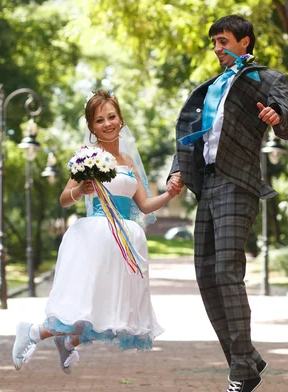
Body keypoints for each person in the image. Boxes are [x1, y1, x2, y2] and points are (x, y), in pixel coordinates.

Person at [167, 15, 288, 392]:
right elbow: (193, 134)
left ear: (244, 41)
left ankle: (242, 370)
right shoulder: (208, 89)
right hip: (206, 185)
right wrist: (177, 168)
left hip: (237, 183)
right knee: (206, 276)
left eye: (223, 41)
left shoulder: (267, 78)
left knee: (226, 269)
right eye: (213, 43)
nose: (218, 48)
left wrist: (277, 118)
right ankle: (246, 361)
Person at [12, 90, 180, 373]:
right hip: (97, 238)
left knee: (106, 306)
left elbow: (145, 205)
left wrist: (169, 194)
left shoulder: (128, 163)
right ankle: (33, 331)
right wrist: (80, 189)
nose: (107, 123)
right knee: (87, 300)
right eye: (99, 120)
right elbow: (65, 198)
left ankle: (69, 341)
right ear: (92, 127)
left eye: (111, 117)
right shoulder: (88, 158)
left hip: (126, 239)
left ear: (121, 120)